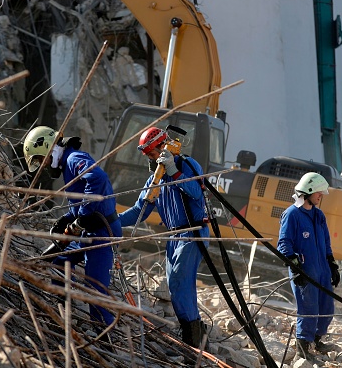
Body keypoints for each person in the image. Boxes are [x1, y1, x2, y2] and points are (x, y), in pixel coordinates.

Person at [118, 127, 209, 349]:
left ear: (162, 147)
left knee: (179, 280)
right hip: (175, 236)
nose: (149, 160)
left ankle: (193, 339)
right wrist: (111, 220)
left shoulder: (187, 165)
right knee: (176, 286)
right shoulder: (154, 179)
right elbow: (140, 210)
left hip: (193, 232)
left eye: (151, 154)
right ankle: (195, 331)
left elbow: (197, 194)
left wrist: (173, 171)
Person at [23, 126, 122, 327]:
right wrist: (67, 219)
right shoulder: (67, 164)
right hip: (89, 230)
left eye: (42, 160)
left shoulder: (73, 158)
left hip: (102, 231)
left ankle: (105, 338)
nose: (43, 165)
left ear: (48, 149)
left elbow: (98, 179)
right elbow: (80, 203)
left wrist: (82, 219)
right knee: (60, 262)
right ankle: (62, 316)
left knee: (95, 288)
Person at [277, 172, 340, 362]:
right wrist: (295, 268)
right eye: (319, 193)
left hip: (322, 268)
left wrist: (332, 264)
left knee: (326, 306)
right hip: (304, 269)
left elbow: (326, 242)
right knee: (308, 307)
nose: (321, 196)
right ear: (309, 191)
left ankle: (317, 341)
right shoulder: (292, 214)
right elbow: (284, 244)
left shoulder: (319, 215)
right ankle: (302, 348)